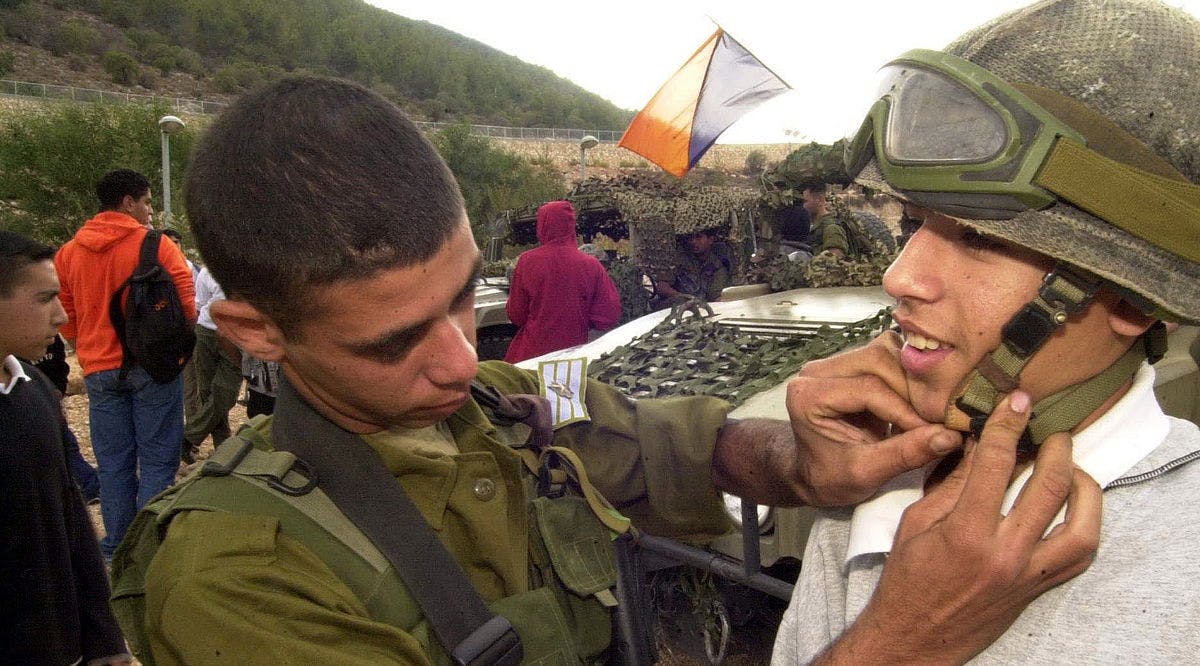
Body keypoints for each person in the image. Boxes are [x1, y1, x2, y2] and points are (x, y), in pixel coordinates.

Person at [122, 76, 1097, 664]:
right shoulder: (235, 576)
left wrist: (801, 461)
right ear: (254, 332)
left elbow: (682, 449)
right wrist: (907, 638)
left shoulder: (512, 403)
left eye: (465, 298)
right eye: (391, 342)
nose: (460, 361)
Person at [773, 0, 1200, 663]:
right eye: (913, 222)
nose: (901, 276)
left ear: (1133, 301)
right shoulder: (874, 484)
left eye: (976, 236)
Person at [0, 230, 131, 665]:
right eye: (43, 299)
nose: (60, 316)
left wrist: (104, 634)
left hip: (58, 642)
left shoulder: (33, 388)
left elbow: (72, 518)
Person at [54, 169, 196, 560]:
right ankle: (148, 549)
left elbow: (64, 316)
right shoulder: (157, 245)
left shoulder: (68, 253)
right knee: (157, 459)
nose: (150, 211)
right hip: (154, 367)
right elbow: (187, 302)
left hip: (99, 369)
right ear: (128, 202)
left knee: (114, 464)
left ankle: (116, 547)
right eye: (147, 202)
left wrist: (91, 341)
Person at [503, 200, 621, 362]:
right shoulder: (592, 265)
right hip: (573, 356)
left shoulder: (527, 261)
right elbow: (608, 314)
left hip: (532, 356)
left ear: (542, 226)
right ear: (571, 226)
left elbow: (516, 314)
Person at [179, 264, 240, 463]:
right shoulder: (208, 271)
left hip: (236, 335)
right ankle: (224, 451)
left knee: (226, 393)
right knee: (207, 392)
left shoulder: (248, 268)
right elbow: (201, 303)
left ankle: (189, 437)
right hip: (206, 331)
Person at [32, 333, 100, 503]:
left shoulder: (46, 336)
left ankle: (87, 484)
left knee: (62, 444)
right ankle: (88, 484)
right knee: (61, 444)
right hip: (40, 396)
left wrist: (59, 387)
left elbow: (60, 361)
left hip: (49, 394)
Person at [655, 227, 732, 302]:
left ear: (710, 240)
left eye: (698, 237)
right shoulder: (679, 258)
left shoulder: (718, 267)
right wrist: (682, 297)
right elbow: (661, 287)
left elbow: (716, 297)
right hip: (676, 306)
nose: (693, 241)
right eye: (690, 238)